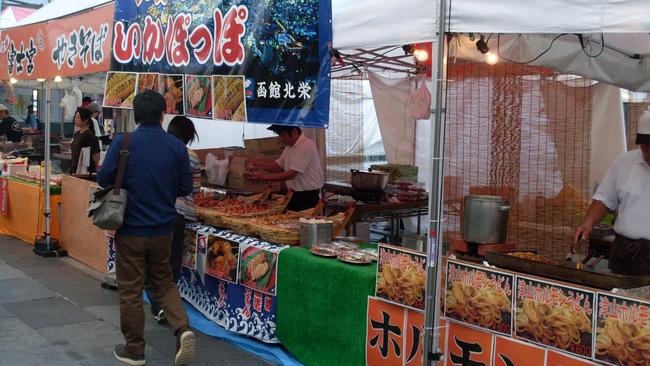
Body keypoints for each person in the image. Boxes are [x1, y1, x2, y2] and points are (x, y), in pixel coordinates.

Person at [97, 90, 196, 366]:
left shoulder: (123, 142)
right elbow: (186, 187)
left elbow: (104, 177)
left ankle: (135, 349)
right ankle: (183, 328)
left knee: (130, 289)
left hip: (130, 229)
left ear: (136, 115)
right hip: (164, 228)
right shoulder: (176, 147)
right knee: (164, 282)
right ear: (163, 114)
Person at [574, 108, 650, 275]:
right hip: (625, 250)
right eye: (645, 146)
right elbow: (604, 199)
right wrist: (588, 223)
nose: (649, 151)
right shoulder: (624, 163)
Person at [147, 115, 200, 324]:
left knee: (154, 261)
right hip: (179, 214)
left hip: (155, 210)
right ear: (188, 136)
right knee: (172, 263)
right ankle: (165, 306)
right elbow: (194, 189)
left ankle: (158, 305)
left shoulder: (155, 150)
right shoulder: (192, 156)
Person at [245, 124, 324, 211]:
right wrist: (259, 164)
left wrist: (263, 177)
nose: (280, 138)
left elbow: (291, 174)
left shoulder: (306, 145)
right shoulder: (289, 147)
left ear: (294, 131)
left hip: (308, 196)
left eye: (282, 135)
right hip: (293, 194)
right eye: (279, 135)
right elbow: (278, 166)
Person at [69, 107, 100, 174]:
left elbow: (96, 154)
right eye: (75, 117)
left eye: (78, 118)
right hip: (75, 170)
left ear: (85, 120)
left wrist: (98, 170)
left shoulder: (90, 135)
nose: (75, 120)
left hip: (85, 173)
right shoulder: (77, 134)